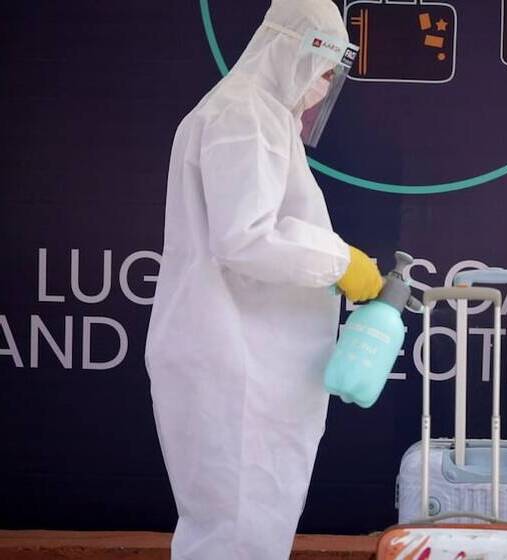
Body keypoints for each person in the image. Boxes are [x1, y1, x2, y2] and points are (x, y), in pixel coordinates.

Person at [144, 1, 382, 558]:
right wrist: (338, 261)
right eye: (324, 70)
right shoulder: (242, 115)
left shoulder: (260, 116)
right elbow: (245, 236)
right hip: (236, 359)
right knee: (235, 532)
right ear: (293, 50)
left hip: (251, 358)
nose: (324, 87)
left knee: (247, 527)